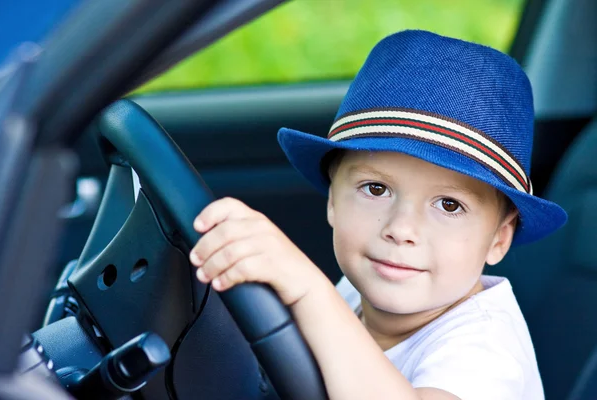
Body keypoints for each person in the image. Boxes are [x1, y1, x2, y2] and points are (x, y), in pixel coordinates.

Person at [188, 30, 567, 399]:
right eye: (376, 189)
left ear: (499, 239)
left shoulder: (486, 349)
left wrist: (310, 292)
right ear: (332, 200)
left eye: (449, 205)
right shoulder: (361, 286)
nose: (401, 229)